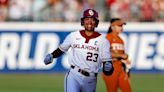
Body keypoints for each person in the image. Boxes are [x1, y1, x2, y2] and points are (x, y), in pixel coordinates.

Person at [44, 9, 114, 92]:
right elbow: (62, 49)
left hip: (91, 79)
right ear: (82, 22)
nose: (90, 22)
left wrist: (109, 69)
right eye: (87, 19)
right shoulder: (73, 36)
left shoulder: (103, 41)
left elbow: (107, 66)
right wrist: (52, 56)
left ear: (96, 23)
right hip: (74, 75)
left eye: (93, 19)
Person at [102, 18, 132, 92]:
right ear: (112, 27)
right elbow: (104, 53)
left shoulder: (120, 40)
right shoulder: (107, 38)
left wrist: (126, 60)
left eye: (122, 25)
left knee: (127, 90)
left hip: (120, 68)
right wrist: (121, 56)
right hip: (110, 68)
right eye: (119, 25)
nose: (121, 27)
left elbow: (122, 56)